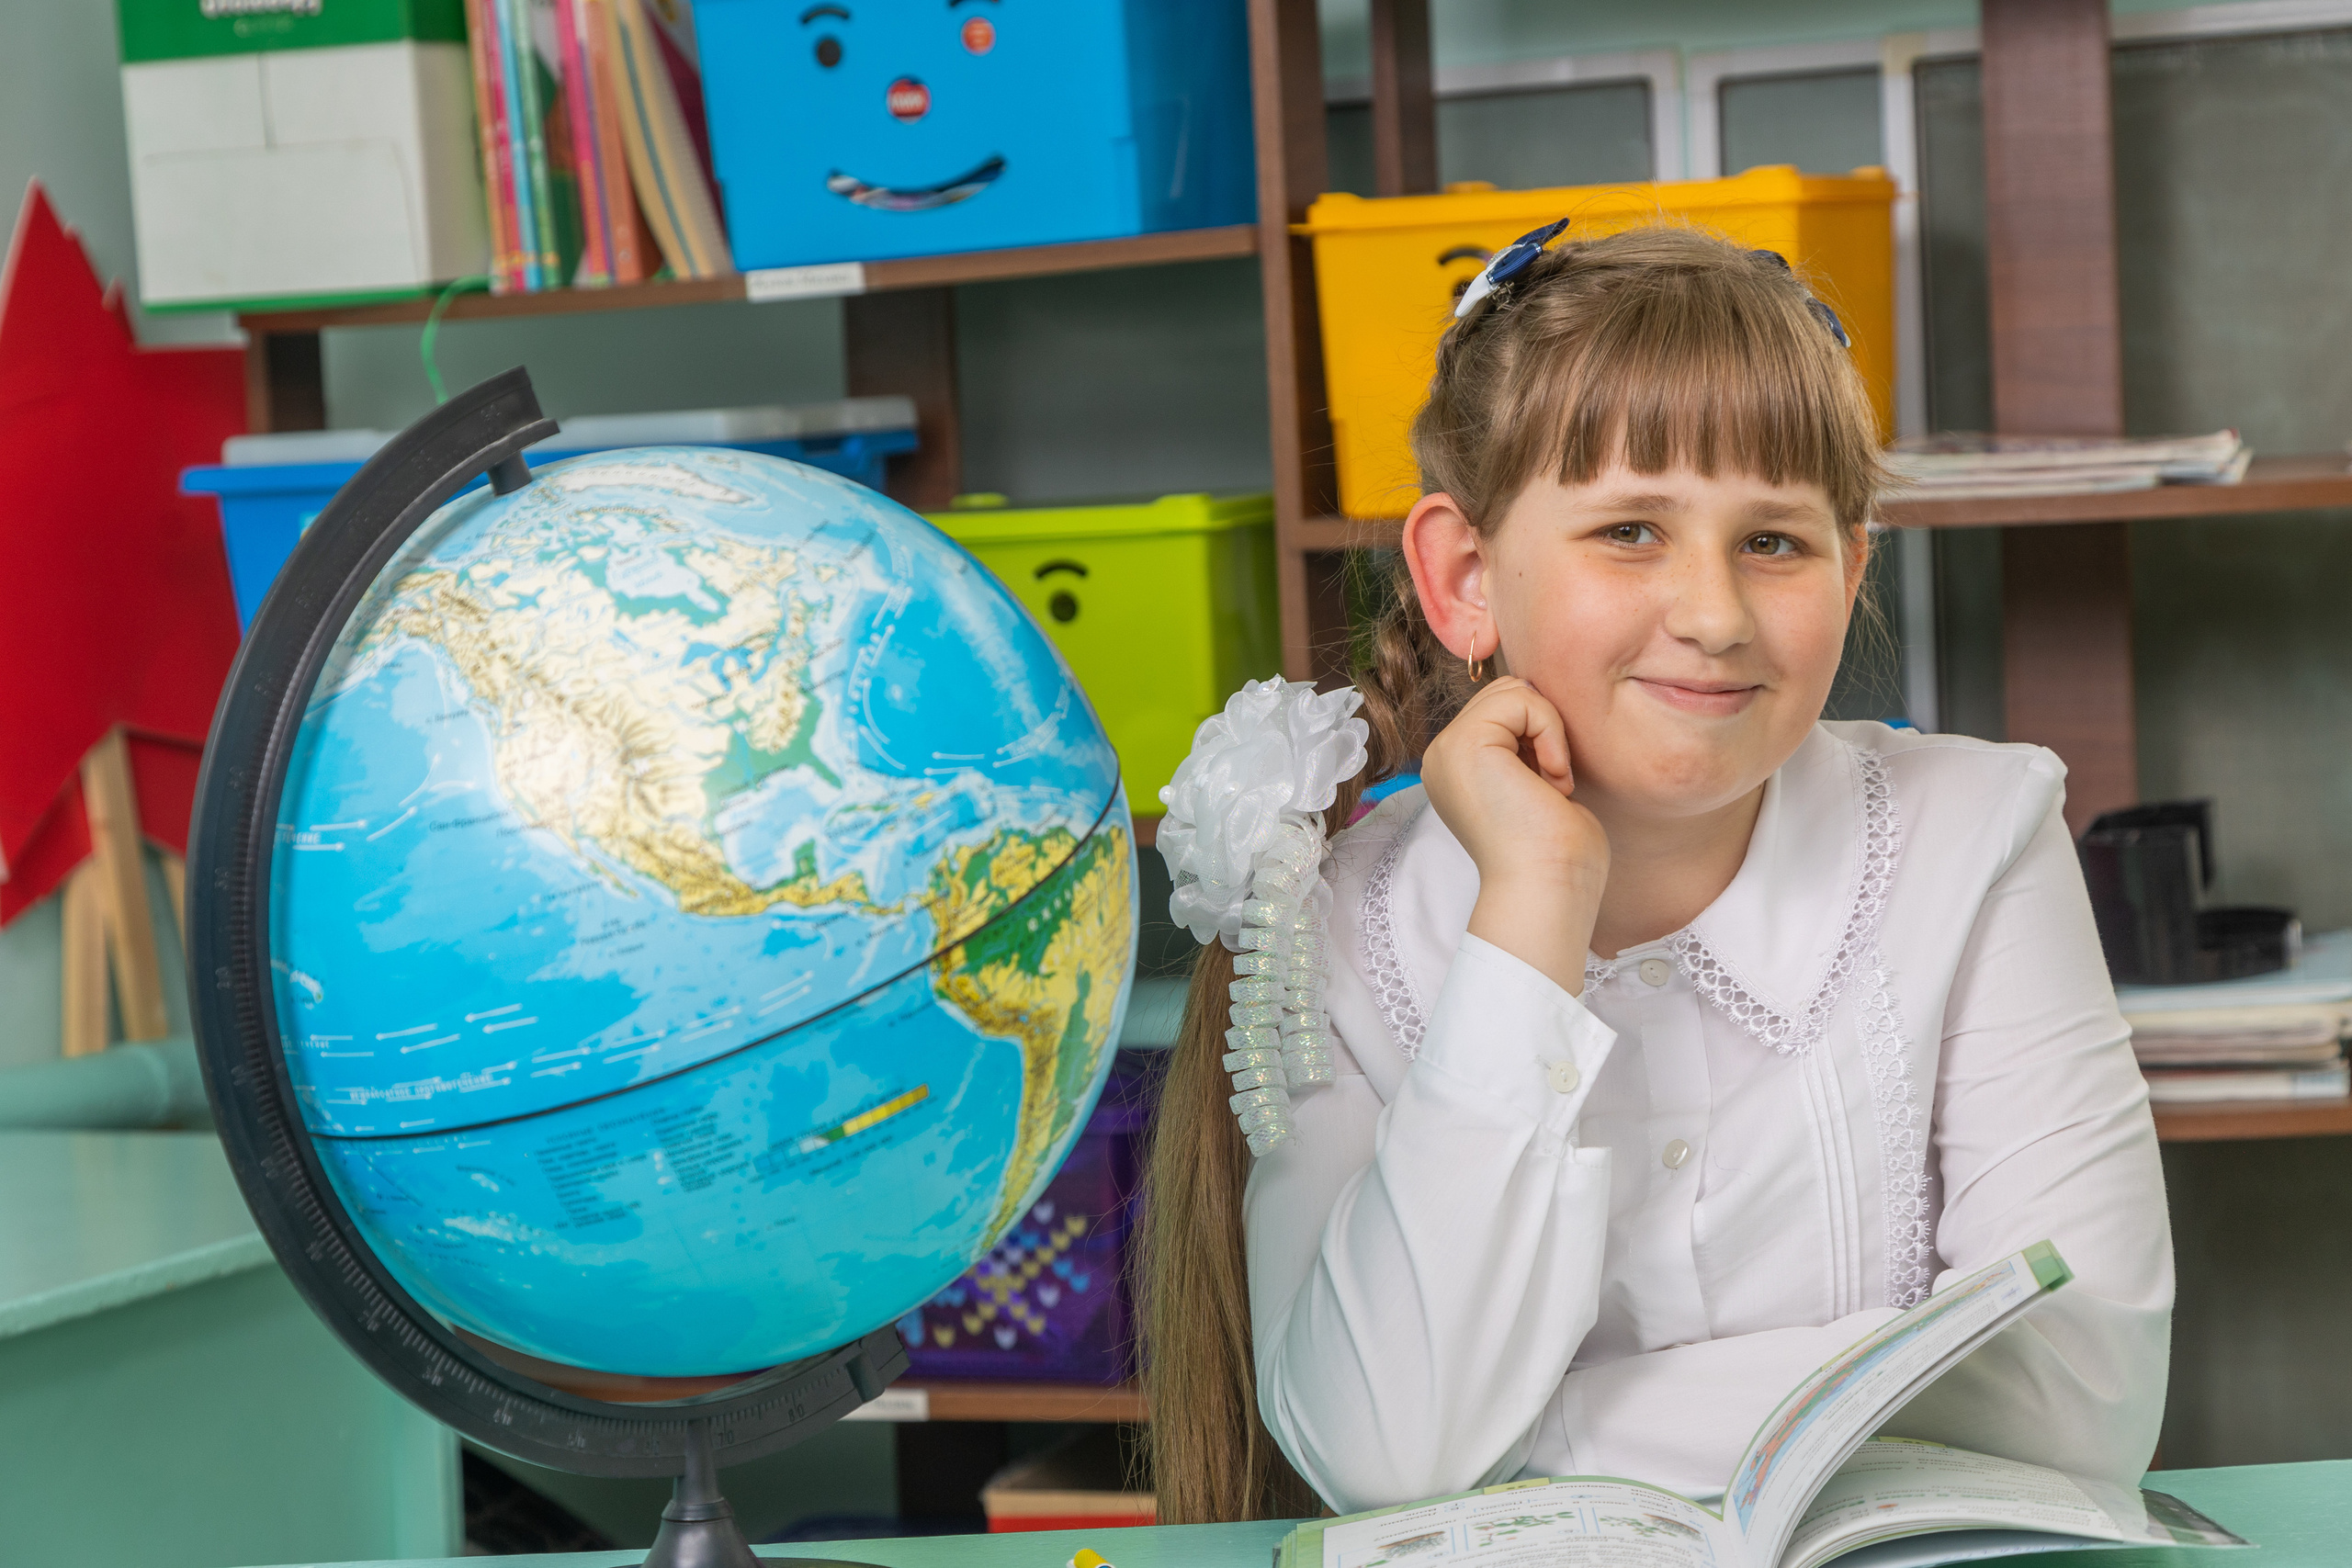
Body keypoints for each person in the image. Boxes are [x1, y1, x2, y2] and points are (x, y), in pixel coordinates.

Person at [1136, 224, 2171, 1526]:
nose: (1715, 614)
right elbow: (1379, 1455)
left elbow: (2085, 1400)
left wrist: (1537, 1434)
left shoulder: (1979, 833)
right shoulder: (1331, 918)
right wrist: (1530, 916)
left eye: (1776, 543)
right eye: (1631, 530)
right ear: (1465, 577)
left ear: (1853, 573)